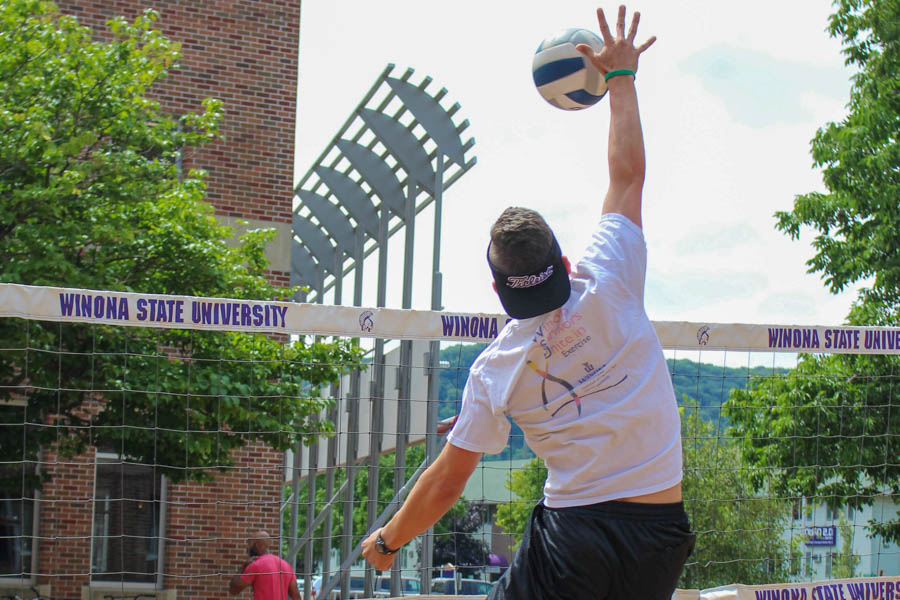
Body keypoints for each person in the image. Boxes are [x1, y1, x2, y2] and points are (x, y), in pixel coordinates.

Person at [361, 5, 694, 599]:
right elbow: (627, 176)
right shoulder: (609, 274)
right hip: (662, 536)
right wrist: (622, 77)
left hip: (577, 537)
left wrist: (387, 542)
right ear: (564, 264)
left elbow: (446, 484)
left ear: (497, 289)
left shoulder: (497, 369)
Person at [229, 530, 300, 600]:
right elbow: (296, 596)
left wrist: (243, 567)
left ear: (256, 545)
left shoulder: (255, 565)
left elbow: (234, 590)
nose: (248, 548)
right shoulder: (286, 565)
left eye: (250, 543)